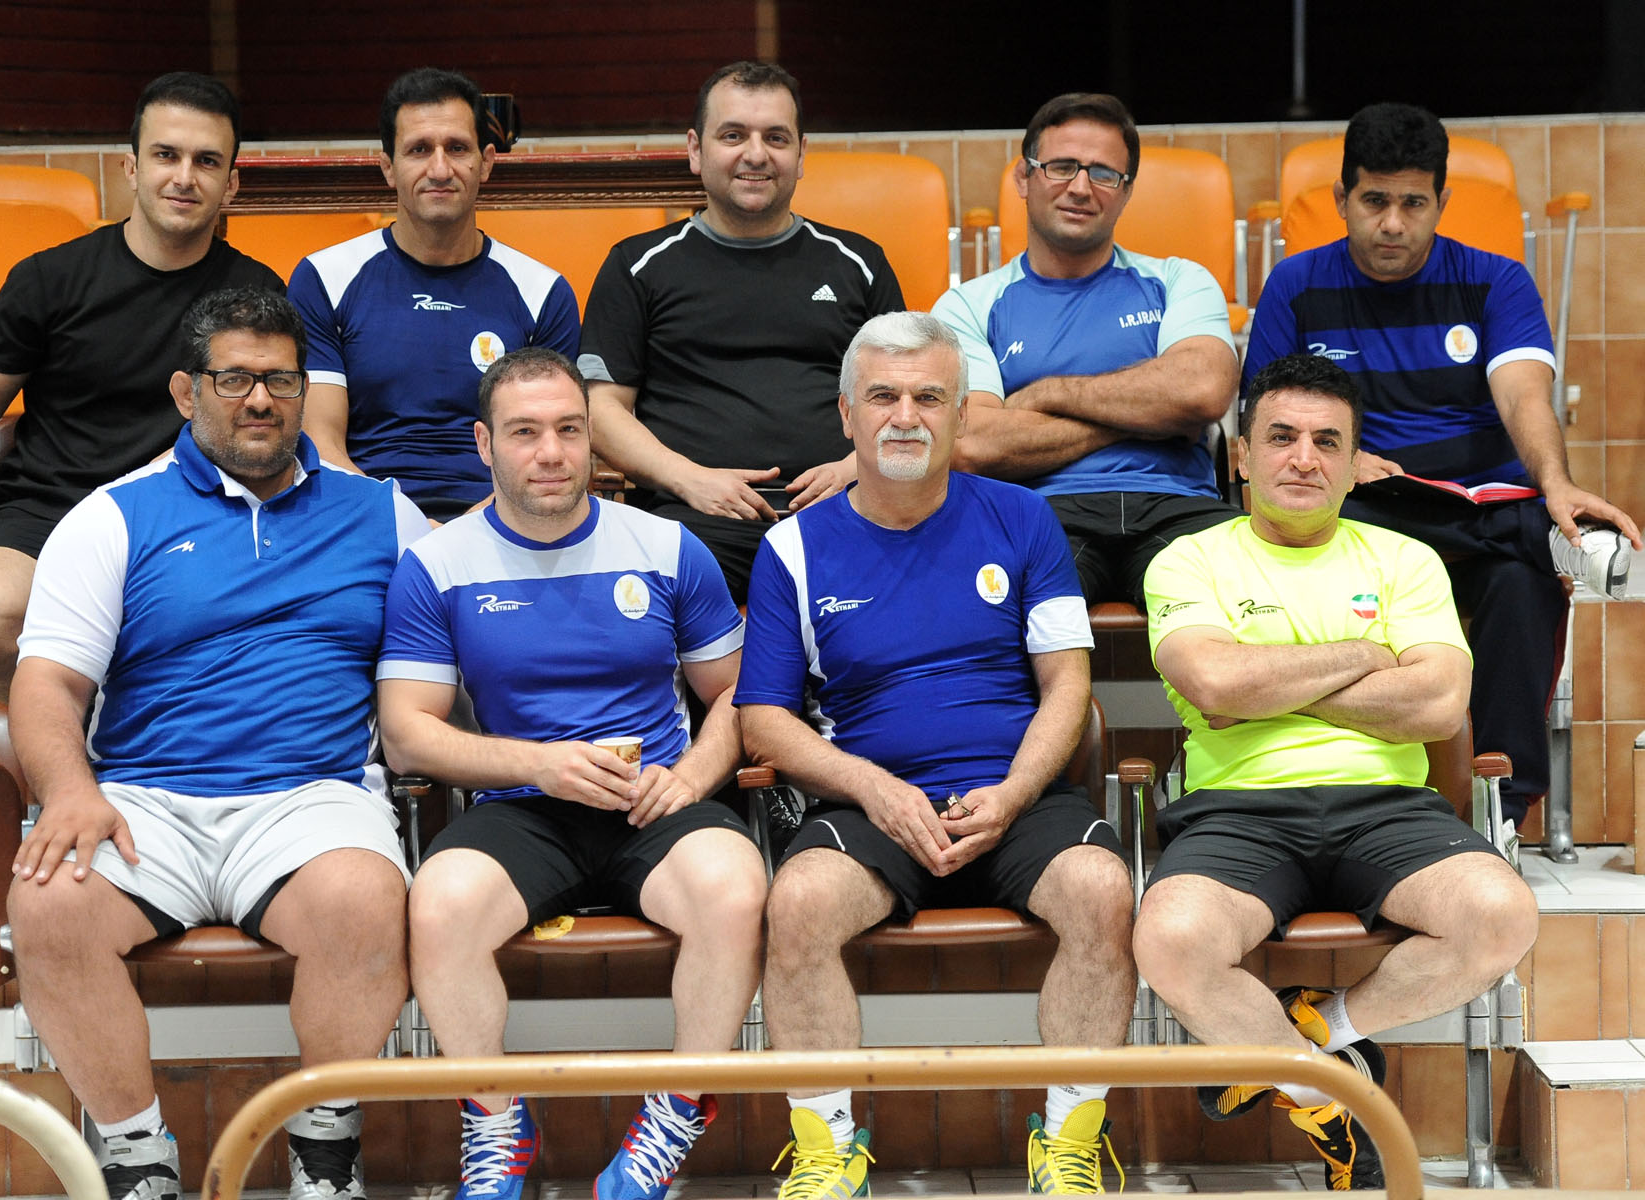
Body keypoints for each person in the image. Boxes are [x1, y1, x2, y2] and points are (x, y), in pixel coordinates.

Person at [5, 288, 429, 1200]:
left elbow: (453, 658)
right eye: (234, 379)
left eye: (281, 379)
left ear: (307, 389)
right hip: (145, 800)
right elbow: (48, 684)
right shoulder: (113, 515)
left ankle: (326, 1151)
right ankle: (137, 1155)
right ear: (186, 392)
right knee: (47, 908)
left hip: (312, 795)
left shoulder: (386, 515)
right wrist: (72, 792)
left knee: (364, 899)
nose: (260, 399)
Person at [736, 312, 1135, 1196]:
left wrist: (1015, 793)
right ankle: (826, 1152)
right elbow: (762, 718)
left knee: (1103, 890)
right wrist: (874, 790)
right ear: (847, 414)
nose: (905, 416)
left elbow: (1068, 684)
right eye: (883, 396)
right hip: (871, 806)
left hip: (1016, 799)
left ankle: (1069, 1145)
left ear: (959, 416)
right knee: (797, 904)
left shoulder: (1025, 518)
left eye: (929, 397)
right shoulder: (792, 548)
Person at [1133, 352, 1539, 1191]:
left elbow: (1438, 704)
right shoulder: (1187, 561)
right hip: (1236, 809)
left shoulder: (1406, 560)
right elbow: (1214, 685)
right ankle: (1327, 1095)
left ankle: (1321, 1031)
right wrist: (1363, 655)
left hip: (1388, 806)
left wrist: (1267, 688)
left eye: (1328, 442)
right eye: (1281, 437)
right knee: (1171, 939)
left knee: (1502, 916)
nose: (1304, 458)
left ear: (1356, 466)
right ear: (1242, 456)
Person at [379, 347, 765, 1200]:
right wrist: (539, 765)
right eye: (525, 433)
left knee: (736, 888)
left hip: (652, 799)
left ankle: (676, 1112)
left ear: (594, 440)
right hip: (523, 806)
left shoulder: (666, 546)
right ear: (485, 444)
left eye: (569, 430)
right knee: (438, 907)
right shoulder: (438, 564)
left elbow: (741, 692)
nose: (551, 452)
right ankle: (495, 1126)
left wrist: (693, 774)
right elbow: (406, 733)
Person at [1242, 101, 1641, 827]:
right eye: (1374, 201)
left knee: (1523, 581)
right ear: (1341, 200)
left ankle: (1496, 812)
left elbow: (1523, 395)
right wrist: (1343, 460)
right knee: (1497, 538)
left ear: (1441, 203)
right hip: (1366, 511)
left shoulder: (1496, 281)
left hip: (1480, 502)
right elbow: (1268, 412)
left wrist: (1556, 484)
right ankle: (1553, 542)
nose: (1393, 223)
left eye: (1413, 203)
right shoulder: (1296, 285)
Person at [0, 71, 282, 702]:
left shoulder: (257, 294)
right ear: (131, 168)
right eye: (165, 155)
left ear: (231, 183)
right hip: (50, 510)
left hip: (193, 510)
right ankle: (44, 756)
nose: (184, 177)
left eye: (206, 161)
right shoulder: (50, 279)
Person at [579, 60, 905, 603]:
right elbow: (601, 410)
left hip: (842, 513)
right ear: (695, 150)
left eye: (775, 137)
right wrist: (689, 479)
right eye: (733, 135)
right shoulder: (637, 266)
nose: (756, 154)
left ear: (801, 154)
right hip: (691, 522)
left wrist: (855, 470)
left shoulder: (859, 263)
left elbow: (904, 397)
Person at [933, 92, 1239, 605]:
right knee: (1006, 621)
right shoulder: (968, 306)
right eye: (1061, 167)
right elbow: (974, 445)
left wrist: (1044, 394)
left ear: (1126, 191)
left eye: (1103, 174)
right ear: (1024, 177)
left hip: (1177, 505)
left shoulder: (1178, 280)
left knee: (1233, 612)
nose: (1080, 187)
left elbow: (1202, 391)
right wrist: (1151, 417)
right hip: (1040, 511)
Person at [289, 67, 580, 520]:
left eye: (457, 148)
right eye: (419, 149)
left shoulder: (544, 291)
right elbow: (321, 444)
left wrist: (468, 534)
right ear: (388, 167)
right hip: (362, 520)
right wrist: (408, 527)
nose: (440, 169)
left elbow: (551, 445)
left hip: (508, 522)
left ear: (486, 162)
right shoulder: (323, 278)